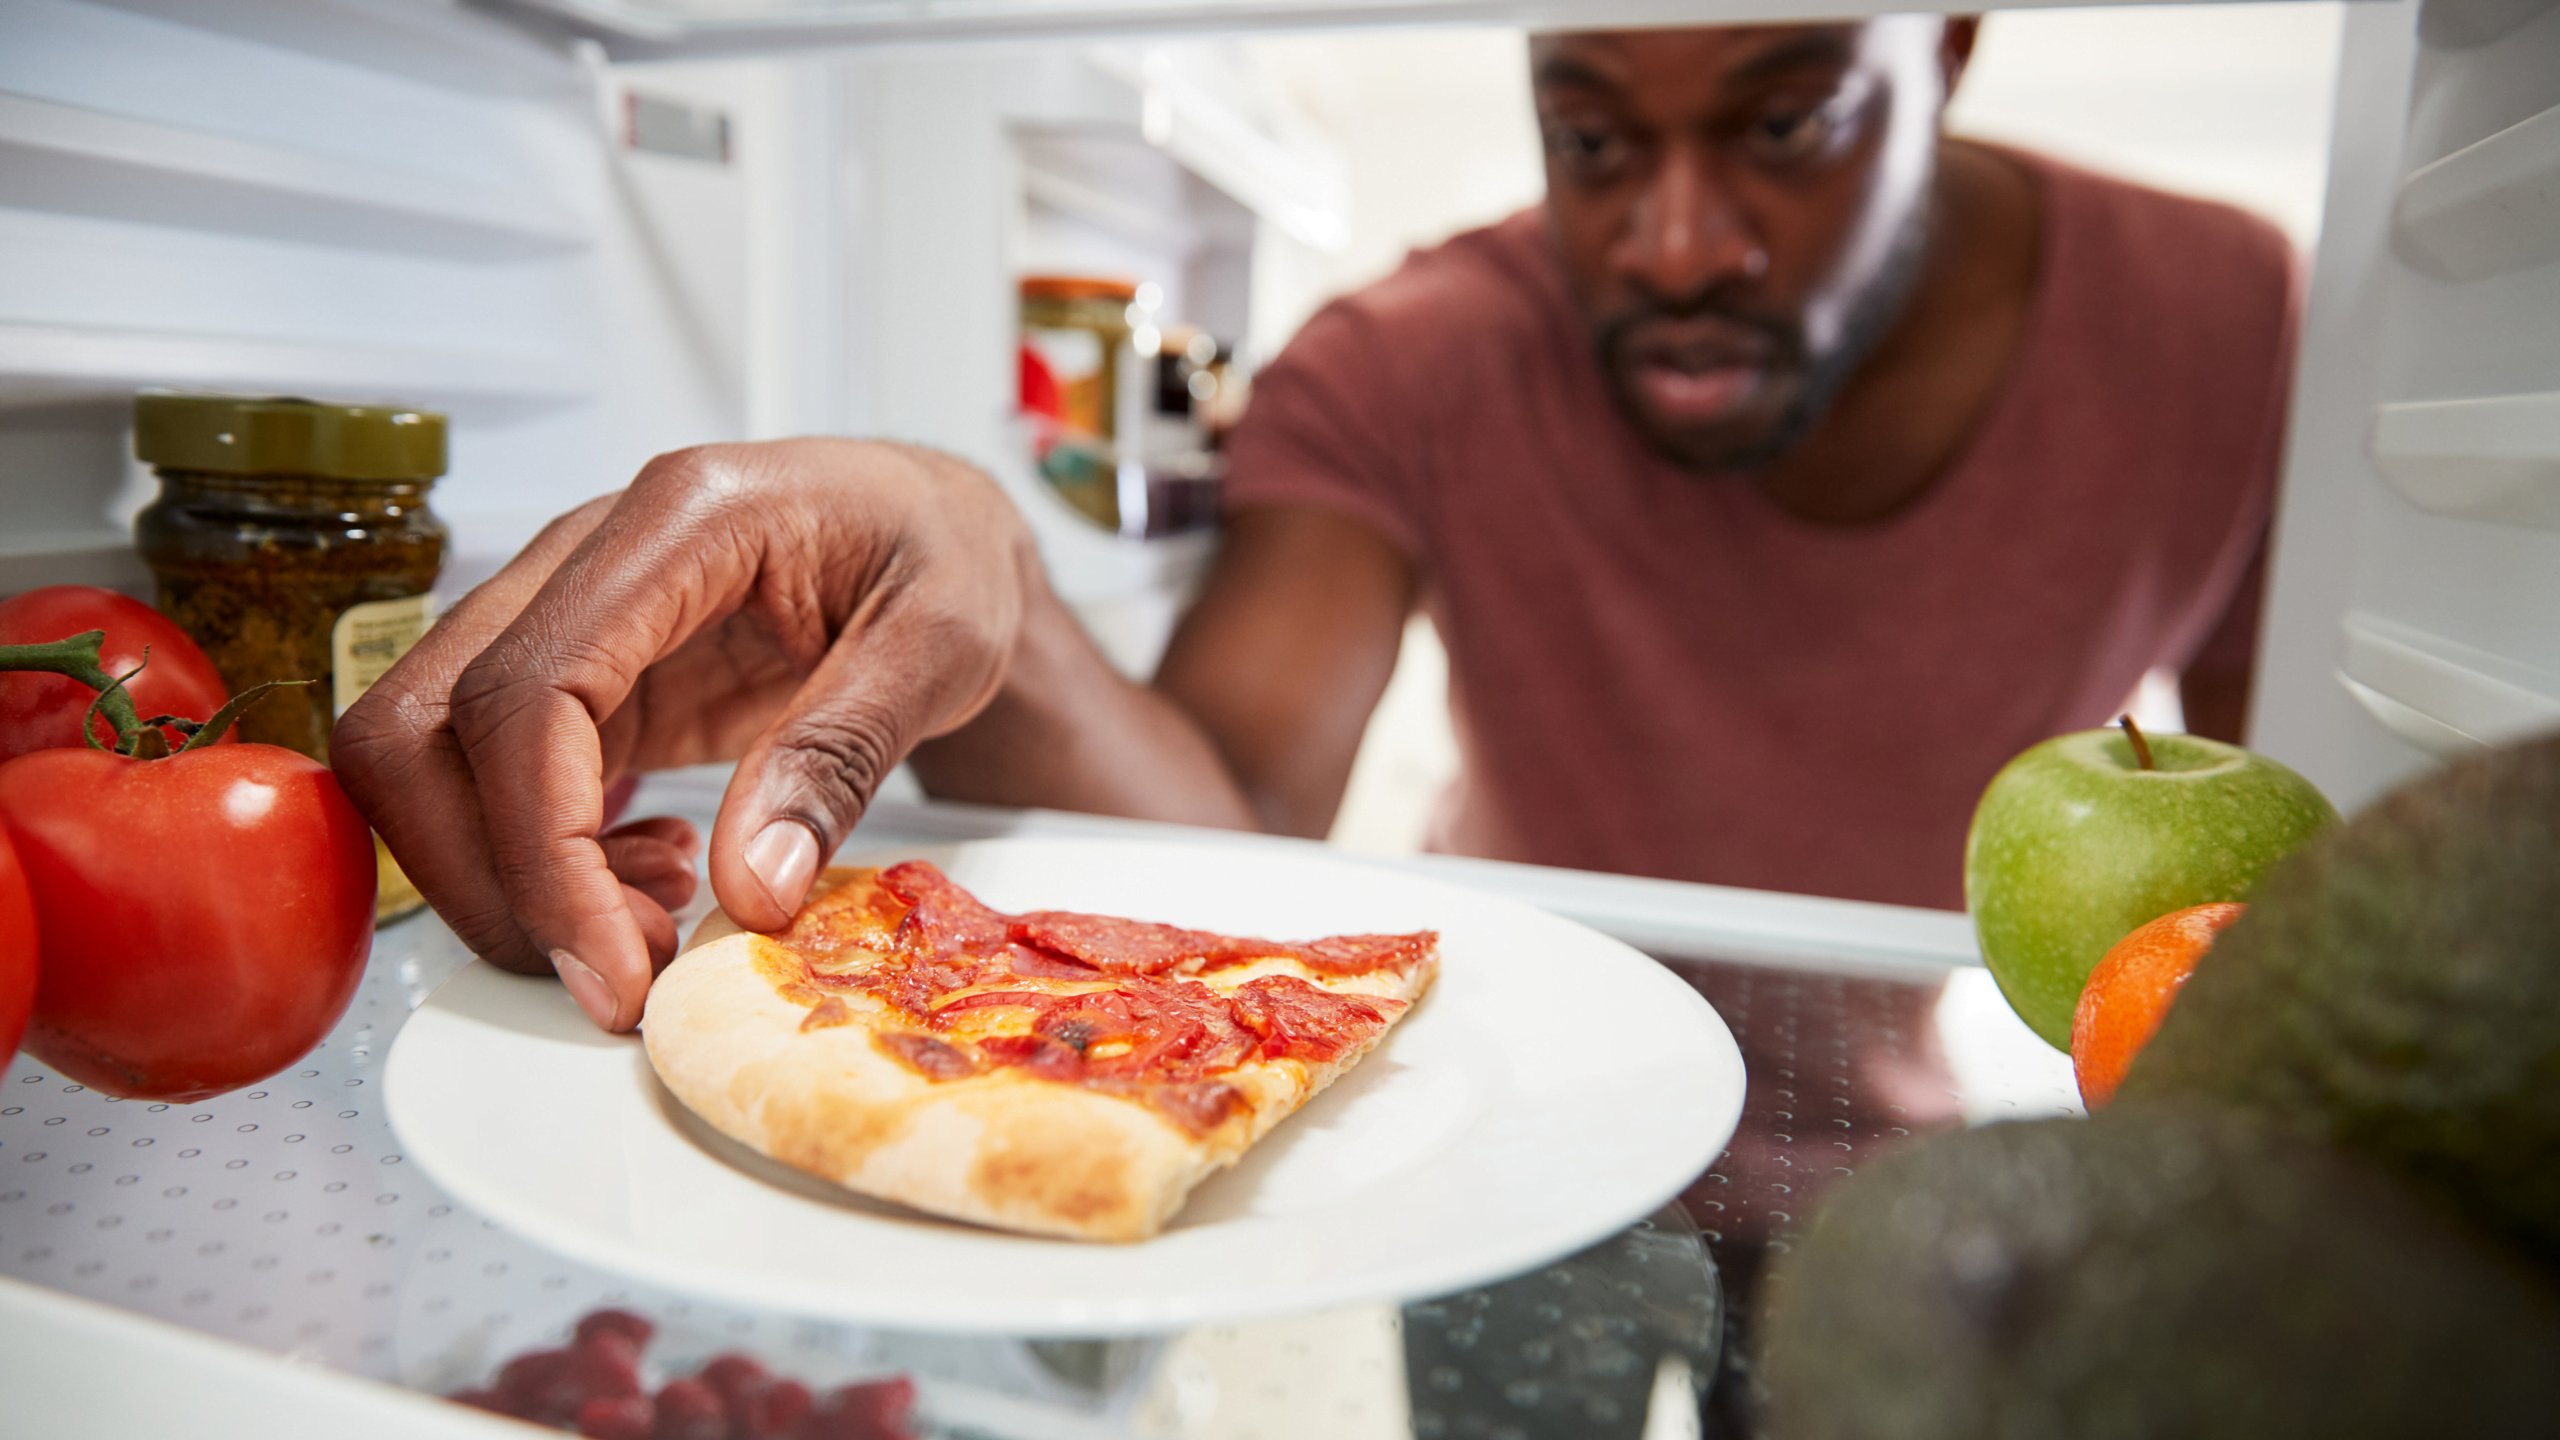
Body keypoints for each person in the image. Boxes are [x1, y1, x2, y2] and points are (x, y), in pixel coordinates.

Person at [333, 17, 2294, 1035]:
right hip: (1532, 1066)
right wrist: (981, 556)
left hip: (1922, 1131)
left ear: (1941, 50)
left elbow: (2268, 854)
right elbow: (1229, 840)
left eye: (1784, 124)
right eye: (1591, 137)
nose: (1674, 241)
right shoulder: (1409, 357)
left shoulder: (2222, 322)